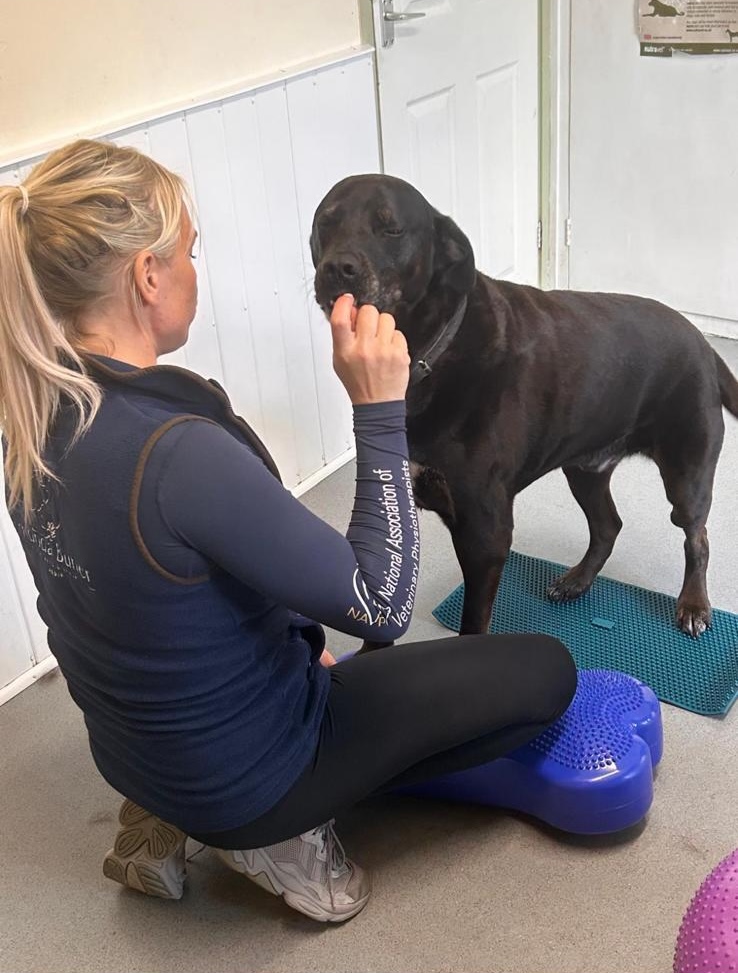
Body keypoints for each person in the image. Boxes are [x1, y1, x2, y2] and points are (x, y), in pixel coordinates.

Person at [0, 139, 577, 924]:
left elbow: (142, 598)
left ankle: (163, 810)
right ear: (147, 276)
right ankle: (277, 839)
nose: (195, 270)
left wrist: (296, 638)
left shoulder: (33, 416)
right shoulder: (179, 454)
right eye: (189, 253)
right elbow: (381, 604)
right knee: (546, 672)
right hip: (253, 779)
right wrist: (378, 410)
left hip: (129, 754)